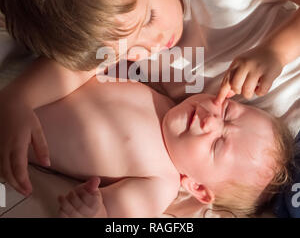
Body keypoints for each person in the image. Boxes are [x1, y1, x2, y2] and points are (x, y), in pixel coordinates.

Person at [0, 0, 300, 200]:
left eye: (148, 20)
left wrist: (276, 51)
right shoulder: (114, 35)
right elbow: (70, 70)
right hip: (268, 165)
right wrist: (16, 100)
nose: (151, 45)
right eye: (125, 51)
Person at [26, 79, 292, 217]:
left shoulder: (159, 185)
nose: (211, 120)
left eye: (216, 144)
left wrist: (92, 212)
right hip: (26, 88)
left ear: (197, 187)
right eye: (228, 112)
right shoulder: (166, 97)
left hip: (18, 132)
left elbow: (112, 214)